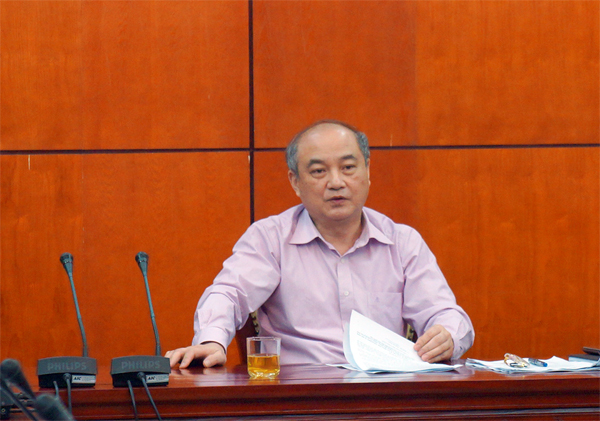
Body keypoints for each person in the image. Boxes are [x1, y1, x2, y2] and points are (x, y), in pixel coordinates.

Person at [166, 120, 474, 369]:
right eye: (318, 171)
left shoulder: (402, 243)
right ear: (295, 182)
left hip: (381, 395)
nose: (336, 182)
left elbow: (446, 314)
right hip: (299, 396)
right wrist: (212, 341)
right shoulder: (270, 238)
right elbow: (229, 293)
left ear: (367, 171)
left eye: (348, 167)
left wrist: (447, 335)